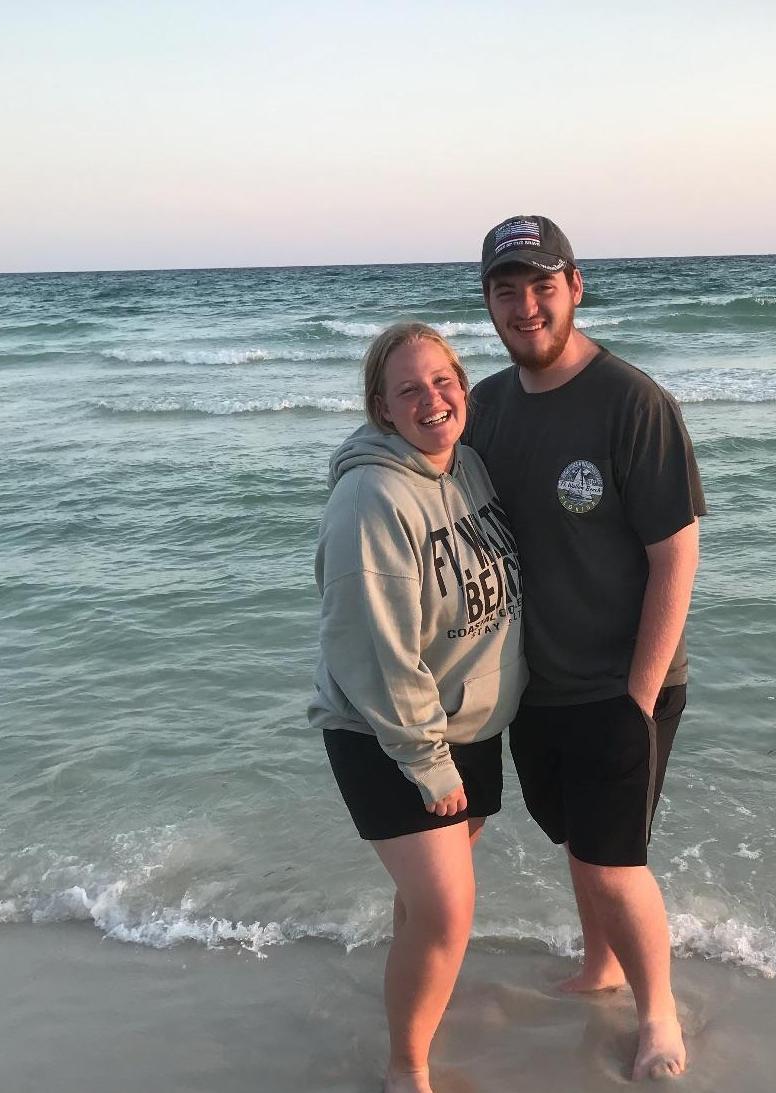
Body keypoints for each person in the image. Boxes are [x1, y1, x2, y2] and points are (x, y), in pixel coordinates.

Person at [465, 216, 704, 1082]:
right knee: (576, 839)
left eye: (541, 285)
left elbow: (675, 553)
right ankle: (600, 965)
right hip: (531, 683)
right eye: (506, 290)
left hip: (621, 681)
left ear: (574, 285)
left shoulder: (632, 402)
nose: (524, 306)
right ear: (488, 302)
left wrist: (634, 700)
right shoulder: (485, 406)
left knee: (612, 861)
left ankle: (658, 1015)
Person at [308, 322, 526, 1093]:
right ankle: (406, 1068)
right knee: (445, 911)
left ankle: (417, 1022)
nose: (432, 399)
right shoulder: (370, 497)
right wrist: (428, 763)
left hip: (465, 723)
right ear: (382, 408)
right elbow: (373, 651)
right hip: (389, 734)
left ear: (463, 386)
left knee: (425, 904)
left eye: (443, 381)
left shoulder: (466, 465)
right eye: (409, 390)